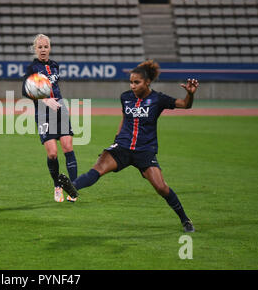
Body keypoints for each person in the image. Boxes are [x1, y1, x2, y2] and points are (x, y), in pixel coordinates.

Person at [58, 59, 198, 232]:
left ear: (147, 82)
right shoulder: (125, 97)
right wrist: (116, 139)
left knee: (161, 187)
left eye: (136, 82)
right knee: (98, 168)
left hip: (144, 151)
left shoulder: (158, 99)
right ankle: (73, 187)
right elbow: (125, 119)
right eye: (131, 82)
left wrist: (190, 94)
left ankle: (185, 219)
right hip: (122, 147)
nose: (132, 86)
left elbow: (185, 105)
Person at [22, 34, 78, 202]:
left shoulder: (55, 65)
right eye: (40, 47)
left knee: (68, 147)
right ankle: (57, 186)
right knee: (53, 153)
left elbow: (54, 86)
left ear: (50, 48)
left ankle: (73, 187)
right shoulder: (32, 68)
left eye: (46, 47)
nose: (43, 50)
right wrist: (45, 100)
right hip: (43, 113)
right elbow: (25, 90)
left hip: (60, 109)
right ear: (35, 49)